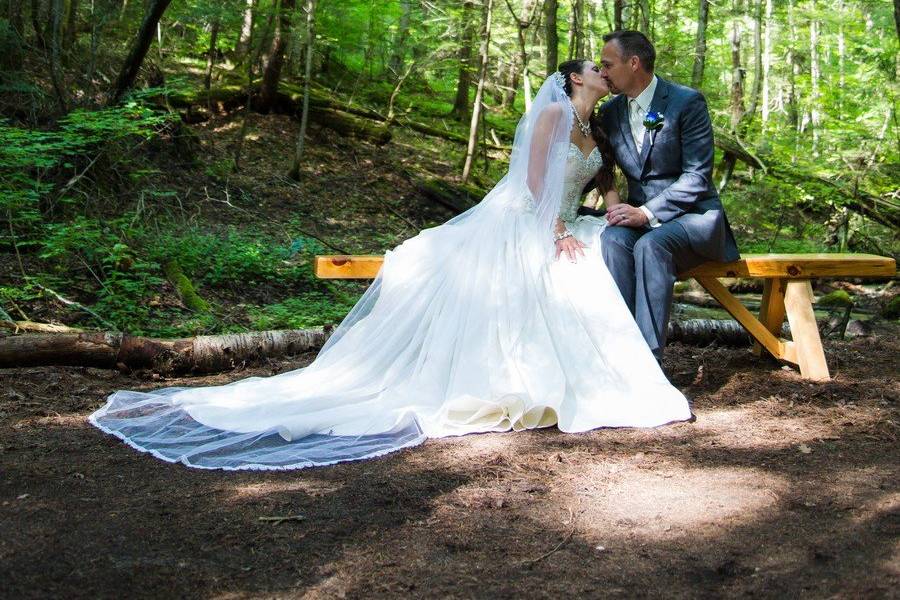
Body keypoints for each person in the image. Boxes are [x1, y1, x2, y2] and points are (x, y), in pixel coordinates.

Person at [89, 60, 692, 471]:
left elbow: (604, 179)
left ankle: (618, 369)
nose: (604, 73)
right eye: (595, 68)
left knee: (597, 259)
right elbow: (535, 183)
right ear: (571, 79)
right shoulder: (556, 116)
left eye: (606, 68)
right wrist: (556, 229)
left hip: (566, 219)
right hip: (527, 217)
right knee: (561, 266)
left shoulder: (598, 124)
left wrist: (613, 211)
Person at [594, 31, 740, 362]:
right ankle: (621, 356)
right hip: (641, 221)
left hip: (695, 218)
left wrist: (646, 213)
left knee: (651, 245)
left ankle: (649, 364)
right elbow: (599, 165)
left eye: (607, 64)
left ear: (633, 63)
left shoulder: (686, 102)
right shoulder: (612, 112)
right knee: (613, 239)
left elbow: (697, 177)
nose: (602, 72)